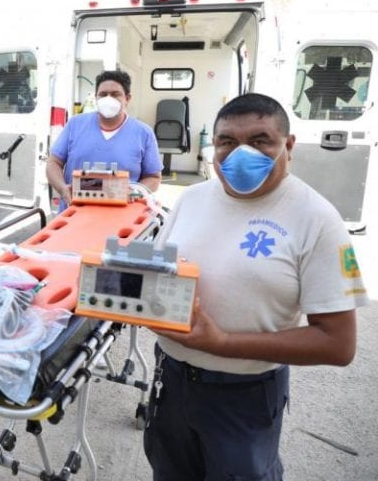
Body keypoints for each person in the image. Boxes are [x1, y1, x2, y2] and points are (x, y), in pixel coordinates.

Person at [144, 93, 368, 480]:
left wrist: (224, 343)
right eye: (227, 141)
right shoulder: (190, 200)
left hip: (244, 394)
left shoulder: (317, 220)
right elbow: (157, 274)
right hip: (172, 382)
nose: (240, 153)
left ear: (289, 146)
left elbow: (337, 343)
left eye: (260, 140)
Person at [46, 70, 163, 211]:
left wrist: (134, 193)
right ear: (96, 97)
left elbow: (154, 177)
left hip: (121, 215)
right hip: (74, 213)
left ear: (127, 98)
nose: (108, 99)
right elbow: (53, 162)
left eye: (115, 94)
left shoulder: (143, 133)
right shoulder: (75, 125)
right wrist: (63, 189)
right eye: (103, 94)